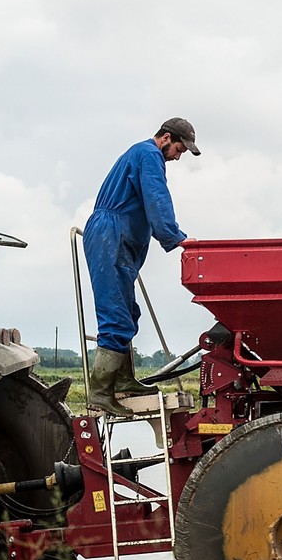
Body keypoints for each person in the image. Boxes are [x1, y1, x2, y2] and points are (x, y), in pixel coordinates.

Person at [82, 117, 199, 416]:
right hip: (110, 234)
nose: (178, 156)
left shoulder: (141, 154)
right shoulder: (149, 155)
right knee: (115, 314)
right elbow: (157, 198)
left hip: (118, 237)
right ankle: (100, 392)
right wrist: (177, 238)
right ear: (166, 138)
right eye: (179, 149)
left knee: (129, 312)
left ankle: (123, 380)